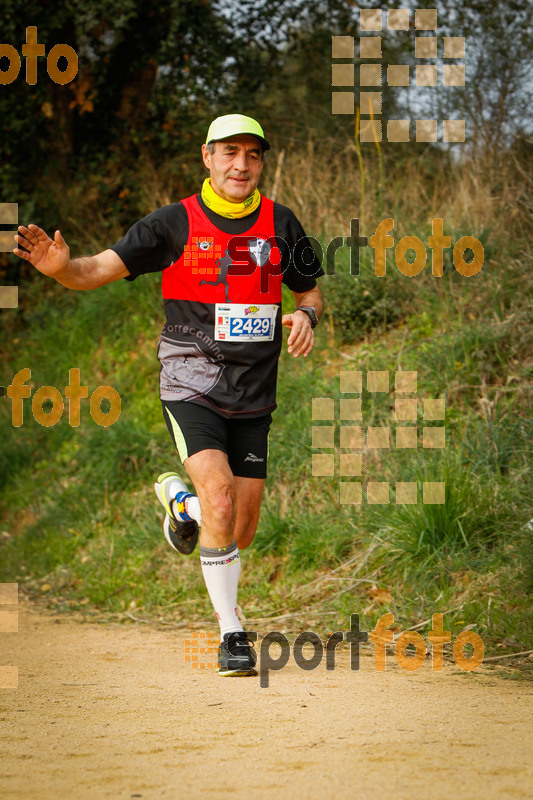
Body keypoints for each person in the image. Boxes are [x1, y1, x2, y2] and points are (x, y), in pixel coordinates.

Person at [13, 113, 324, 677]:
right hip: (191, 384)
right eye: (229, 152)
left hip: (255, 393)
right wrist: (63, 270)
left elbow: (311, 291)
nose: (241, 165)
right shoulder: (171, 224)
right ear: (207, 157)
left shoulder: (283, 223)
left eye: (252, 155)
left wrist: (305, 315)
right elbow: (94, 269)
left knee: (240, 528)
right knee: (222, 502)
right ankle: (233, 633)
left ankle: (179, 503)